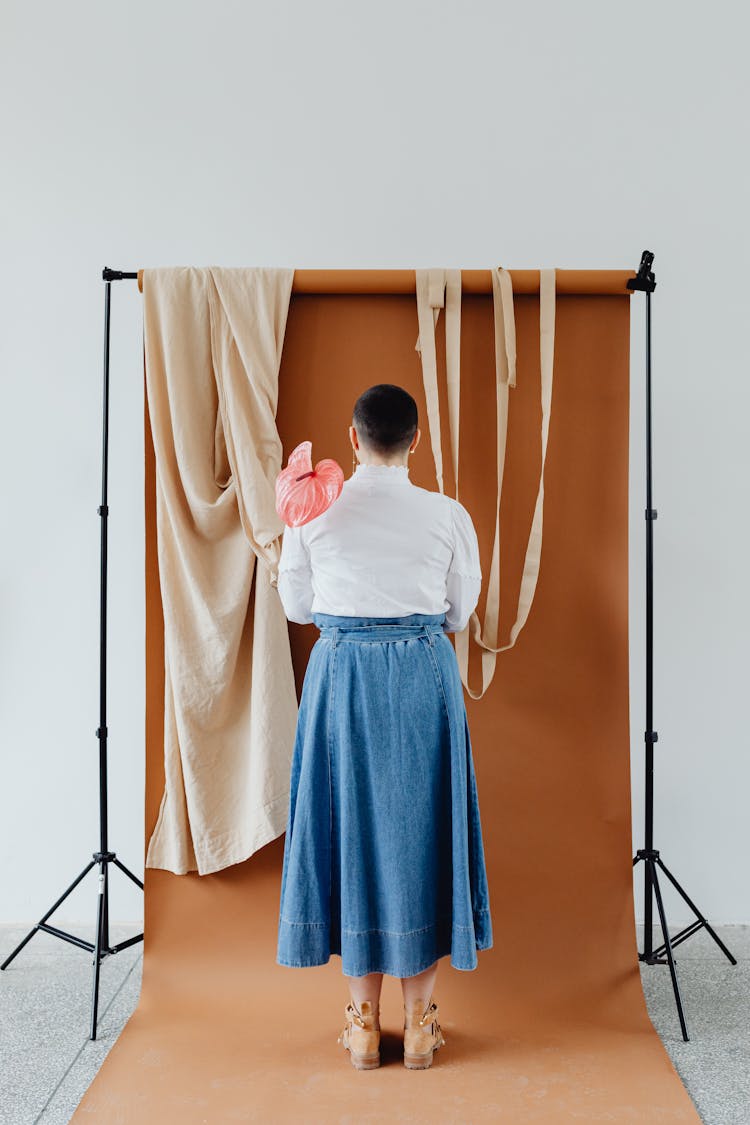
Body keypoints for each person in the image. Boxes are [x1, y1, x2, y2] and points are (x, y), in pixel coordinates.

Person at [275, 383, 493, 1070]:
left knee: (348, 833)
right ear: (416, 440)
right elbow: (459, 614)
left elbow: (297, 605)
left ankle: (363, 1026)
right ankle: (421, 1024)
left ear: (353, 437)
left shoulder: (312, 514)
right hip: (422, 677)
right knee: (418, 834)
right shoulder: (448, 514)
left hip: (342, 676)